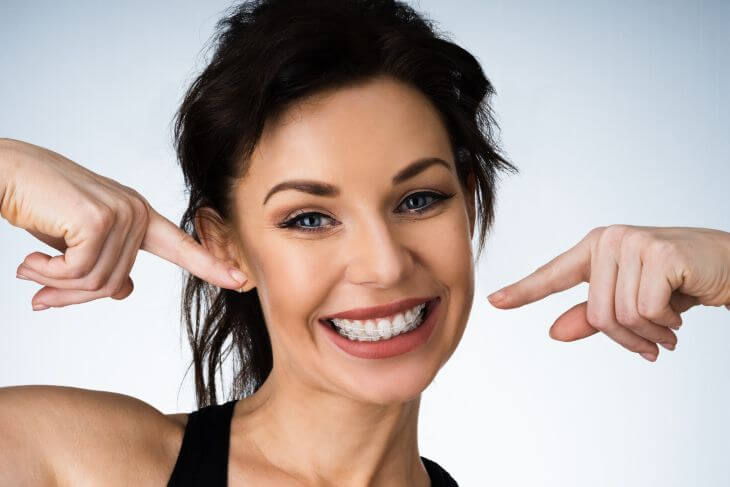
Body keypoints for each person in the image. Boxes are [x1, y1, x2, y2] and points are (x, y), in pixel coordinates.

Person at [1, 0, 729, 485]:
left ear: (468, 202)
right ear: (227, 245)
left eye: (419, 199)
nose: (385, 264)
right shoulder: (75, 461)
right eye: (309, 218)